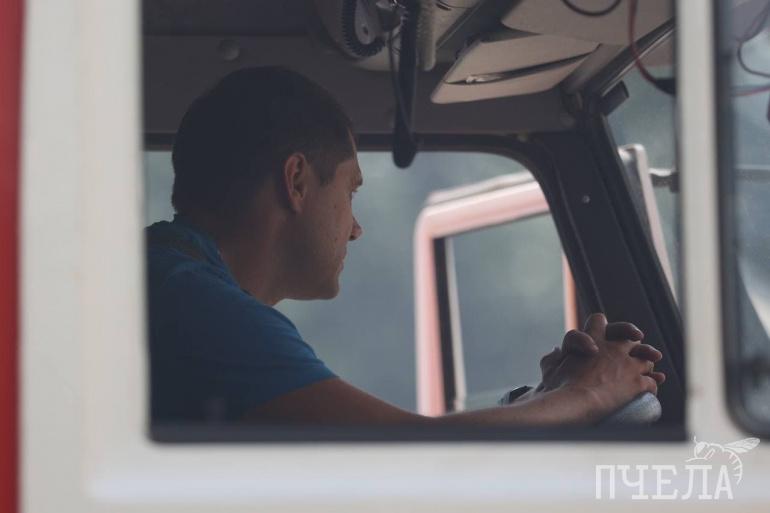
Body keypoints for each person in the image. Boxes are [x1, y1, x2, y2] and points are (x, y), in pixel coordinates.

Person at [146, 66, 665, 425]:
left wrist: (548, 398)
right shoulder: (201, 310)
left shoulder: (171, 285)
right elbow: (410, 451)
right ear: (297, 181)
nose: (355, 228)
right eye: (350, 192)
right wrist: (592, 392)